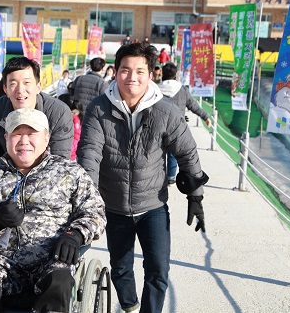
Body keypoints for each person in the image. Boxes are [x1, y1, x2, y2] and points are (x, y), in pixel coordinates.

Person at [77, 43, 208, 313]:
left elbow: (187, 152)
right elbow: (89, 155)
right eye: (125, 70)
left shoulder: (165, 111)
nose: (132, 77)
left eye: (139, 71)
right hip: (113, 206)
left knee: (158, 270)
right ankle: (129, 305)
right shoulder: (98, 109)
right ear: (116, 72)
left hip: (153, 206)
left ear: (151, 74)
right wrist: (84, 201)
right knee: (121, 268)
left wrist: (195, 197)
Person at [0, 108, 106, 312]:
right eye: (17, 134)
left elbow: (95, 212)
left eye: (31, 134)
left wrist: (75, 235)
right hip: (5, 260)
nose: (24, 141)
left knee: (59, 278)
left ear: (46, 138)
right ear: (6, 138)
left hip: (52, 257)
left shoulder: (69, 172)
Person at [0, 56, 74, 169]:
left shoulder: (58, 113)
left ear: (38, 86)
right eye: (13, 84)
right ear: (5, 89)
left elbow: (59, 163)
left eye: (27, 82)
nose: (20, 90)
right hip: (5, 179)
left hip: (47, 180)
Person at [159, 62, 212, 185]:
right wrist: (205, 117)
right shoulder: (182, 90)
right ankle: (171, 176)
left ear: (162, 74)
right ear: (176, 75)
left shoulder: (156, 89)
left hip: (159, 125)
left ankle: (159, 176)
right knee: (173, 154)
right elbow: (193, 106)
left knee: (158, 152)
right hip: (177, 127)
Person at [58, 93, 83, 161]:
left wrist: (69, 149)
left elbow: (76, 137)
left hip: (69, 155)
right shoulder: (66, 117)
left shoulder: (75, 120)